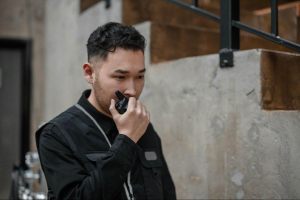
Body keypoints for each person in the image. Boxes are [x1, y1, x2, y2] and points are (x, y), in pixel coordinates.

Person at [36, 22, 176, 200]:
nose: (132, 90)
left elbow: (167, 193)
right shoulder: (57, 134)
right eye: (120, 77)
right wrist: (126, 141)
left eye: (140, 76)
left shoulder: (144, 128)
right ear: (89, 73)